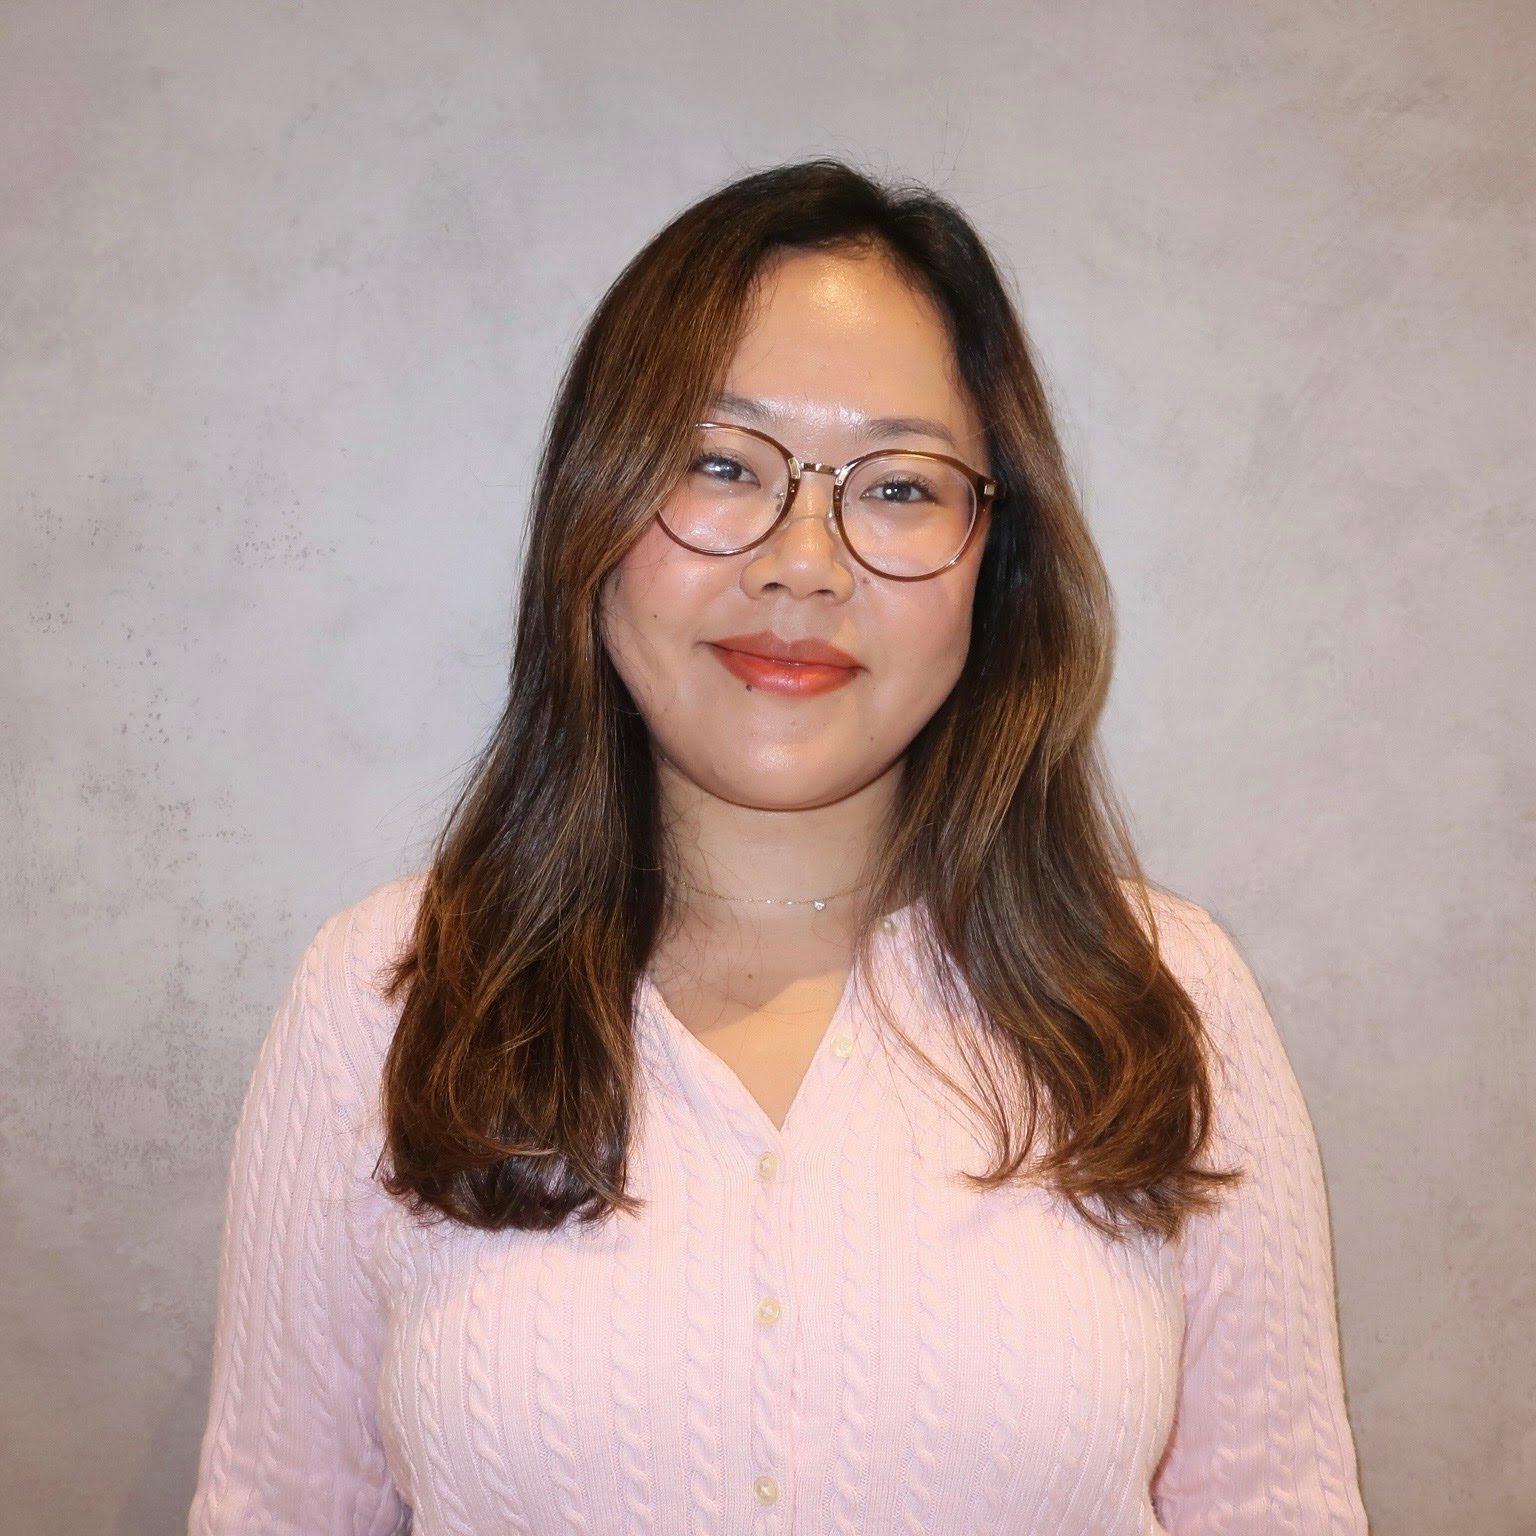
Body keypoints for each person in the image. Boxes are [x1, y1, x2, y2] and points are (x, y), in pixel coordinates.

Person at [189, 159, 1369, 1534]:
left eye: (901, 488)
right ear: (592, 512)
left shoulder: (1167, 996)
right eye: (720, 465)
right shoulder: (381, 996)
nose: (804, 562)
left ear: (996, 560)